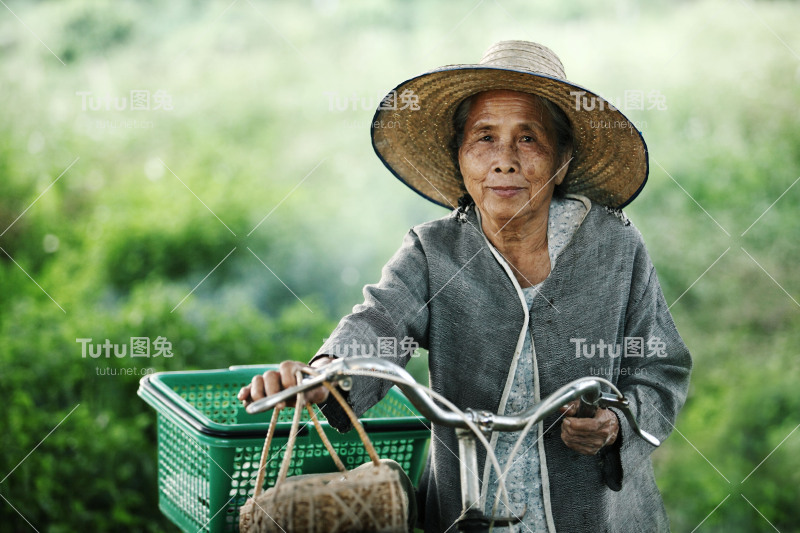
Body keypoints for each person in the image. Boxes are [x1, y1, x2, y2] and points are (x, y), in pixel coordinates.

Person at [239, 41, 692, 532]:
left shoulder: (615, 247)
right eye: (484, 138)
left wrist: (616, 425)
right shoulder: (434, 251)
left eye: (528, 139)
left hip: (599, 516)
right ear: (460, 158)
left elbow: (660, 365)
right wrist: (325, 375)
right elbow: (378, 323)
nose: (504, 161)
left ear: (561, 161)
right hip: (464, 506)